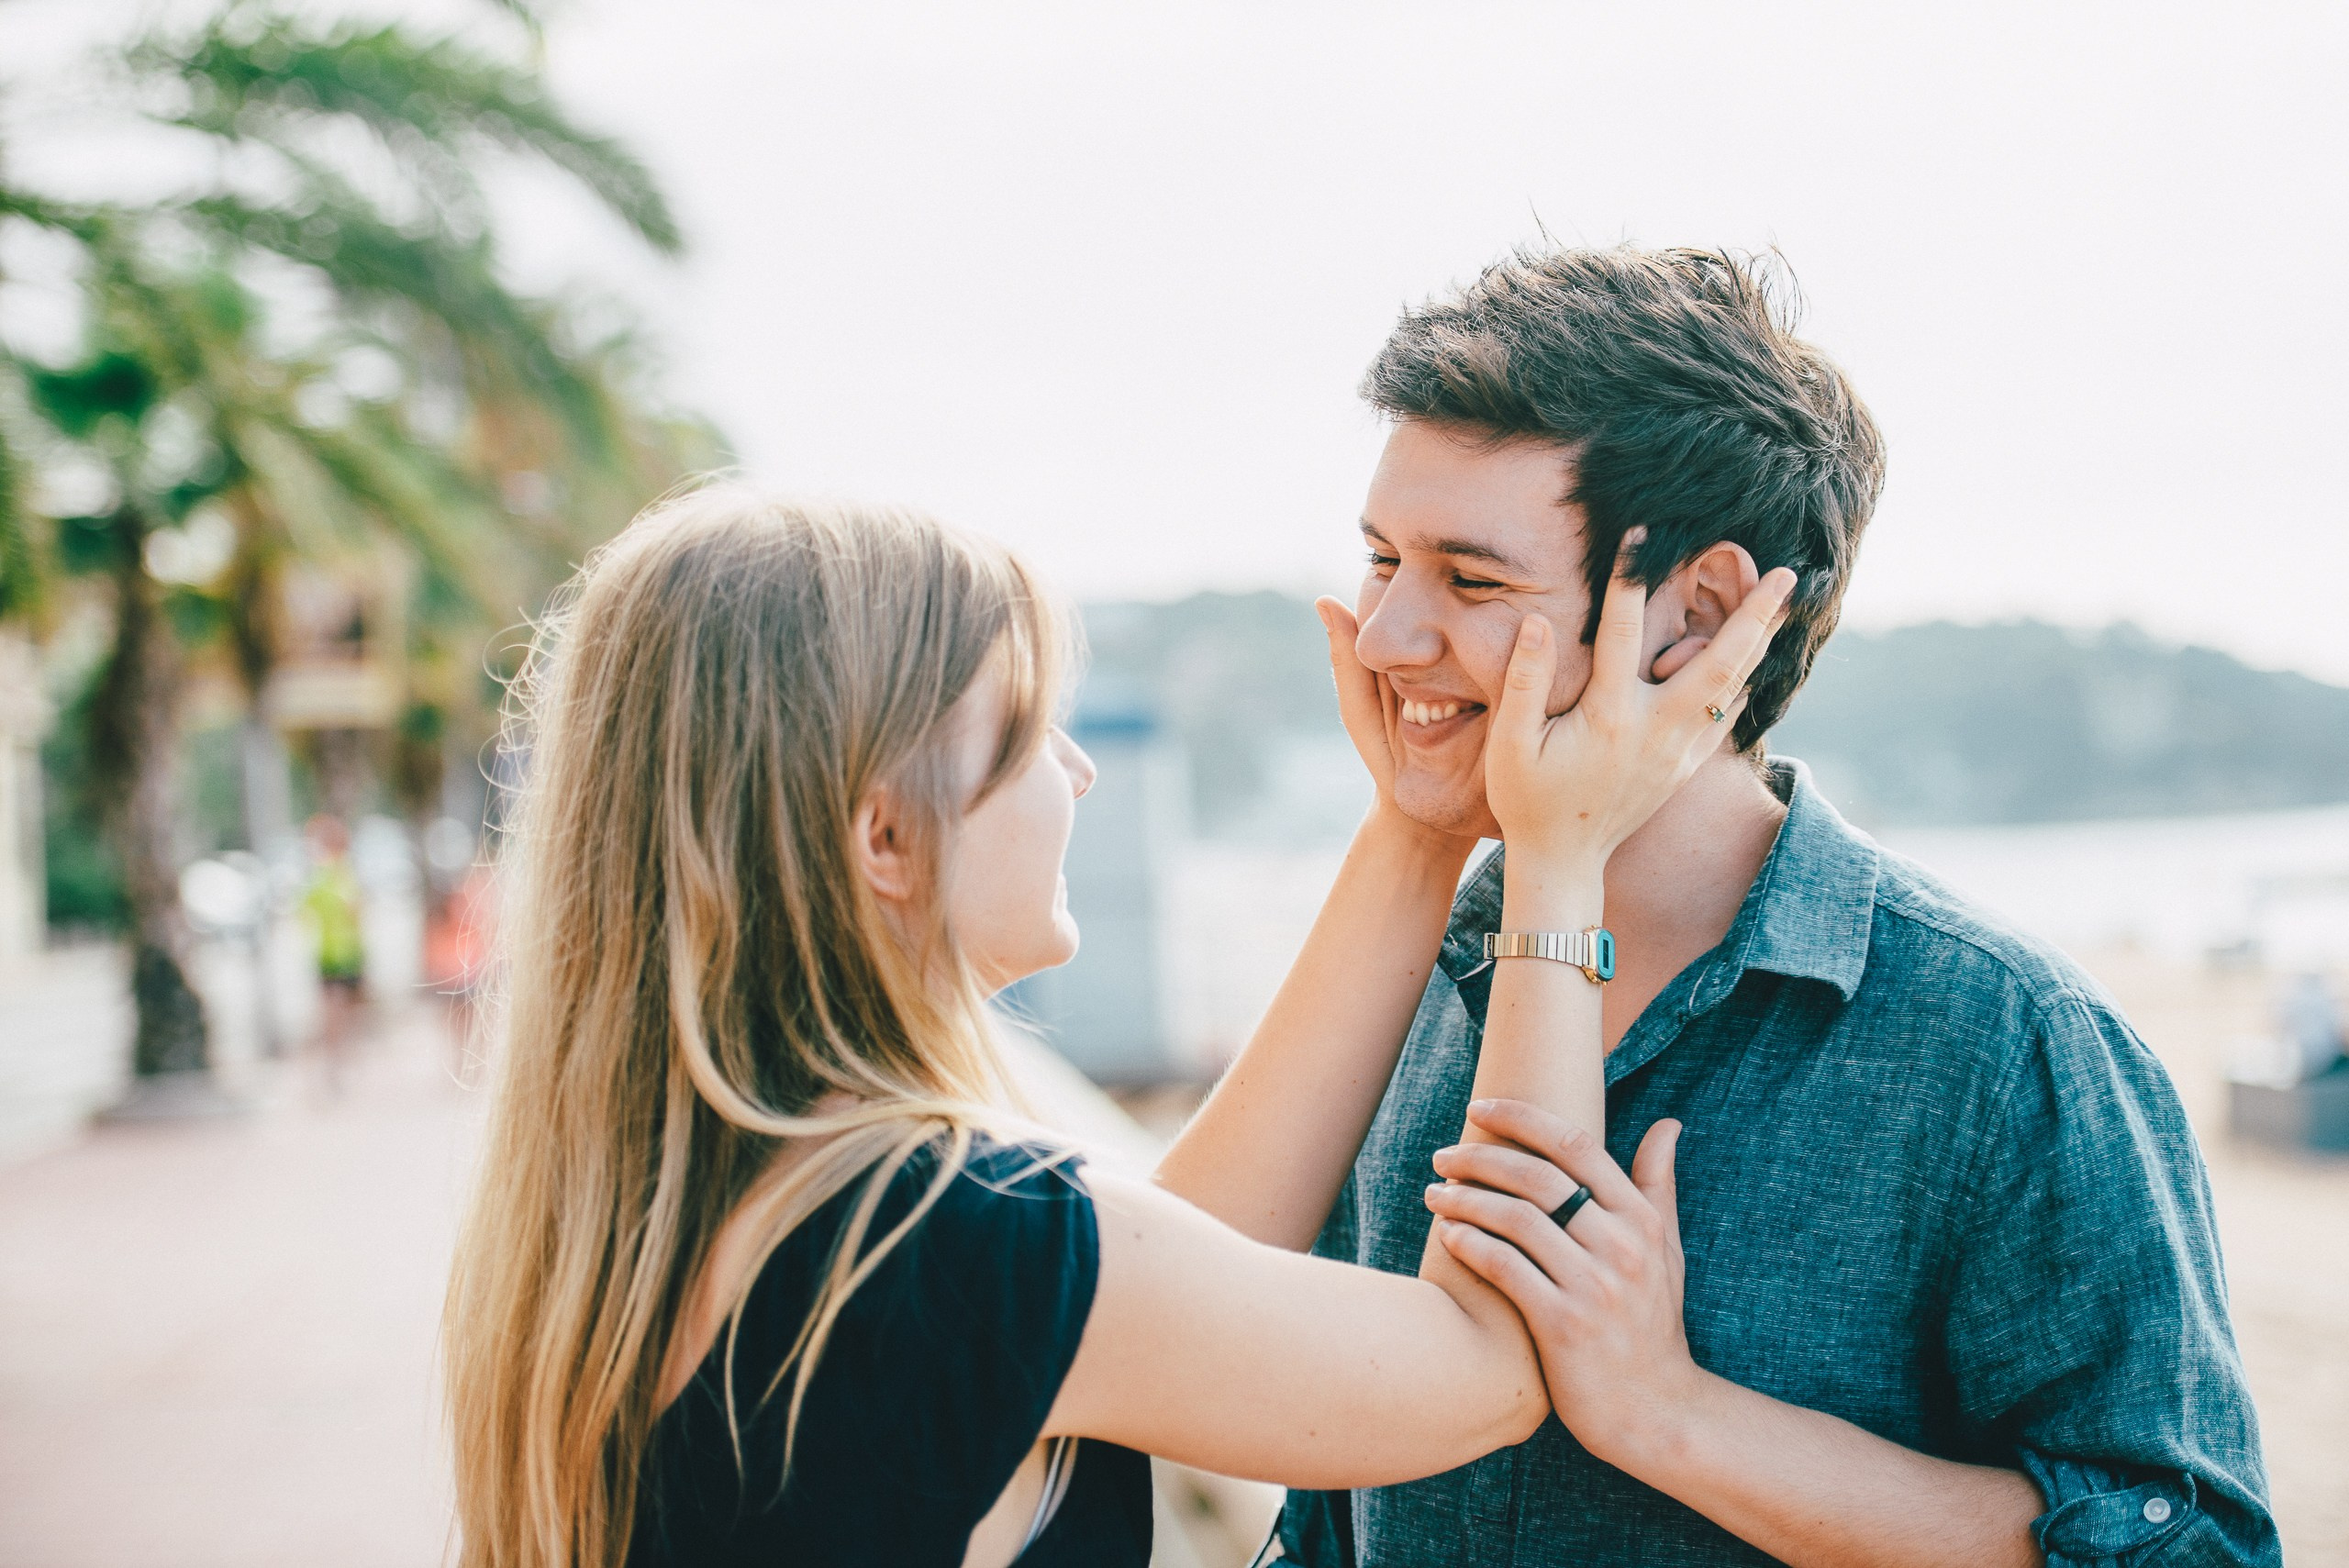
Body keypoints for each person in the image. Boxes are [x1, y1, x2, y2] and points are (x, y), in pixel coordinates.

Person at [440, 486, 1792, 1567]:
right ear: (884, 835)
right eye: (1034, 730)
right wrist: (1558, 858)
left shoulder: (699, 1196)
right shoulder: (953, 1231)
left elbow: (1171, 1257)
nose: (1079, 771)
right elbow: (1485, 1365)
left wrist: (1420, 823)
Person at [1276, 246, 2279, 1567]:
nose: (1386, 636)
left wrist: (1676, 1416)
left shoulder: (2002, 1037)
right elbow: (1324, 1510)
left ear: (1695, 612)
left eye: (1470, 580)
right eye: (1380, 559)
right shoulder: (1402, 980)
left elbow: (2193, 1547)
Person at [298, 813, 366, 1093]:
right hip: (333, 957)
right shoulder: (327, 875)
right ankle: (332, 1066)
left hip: (347, 955)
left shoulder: (340, 873)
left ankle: (335, 1064)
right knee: (334, 1014)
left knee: (344, 1014)